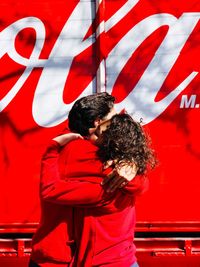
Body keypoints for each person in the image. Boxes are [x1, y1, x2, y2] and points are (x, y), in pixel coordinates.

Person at [29, 93, 156, 267]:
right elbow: (139, 186)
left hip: (55, 258)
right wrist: (133, 167)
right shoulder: (92, 156)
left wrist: (132, 165)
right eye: (113, 117)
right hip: (108, 260)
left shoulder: (63, 146)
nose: (117, 123)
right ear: (98, 122)